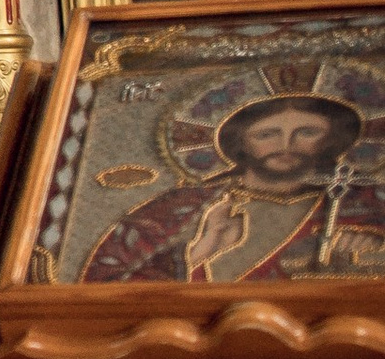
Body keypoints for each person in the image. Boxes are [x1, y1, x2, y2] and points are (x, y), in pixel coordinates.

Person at [80, 91, 385, 286]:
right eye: (267, 134)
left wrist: (372, 251)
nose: (286, 145)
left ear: (331, 139)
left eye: (307, 132)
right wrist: (199, 251)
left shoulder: (361, 202)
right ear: (239, 142)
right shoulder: (182, 206)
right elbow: (100, 294)